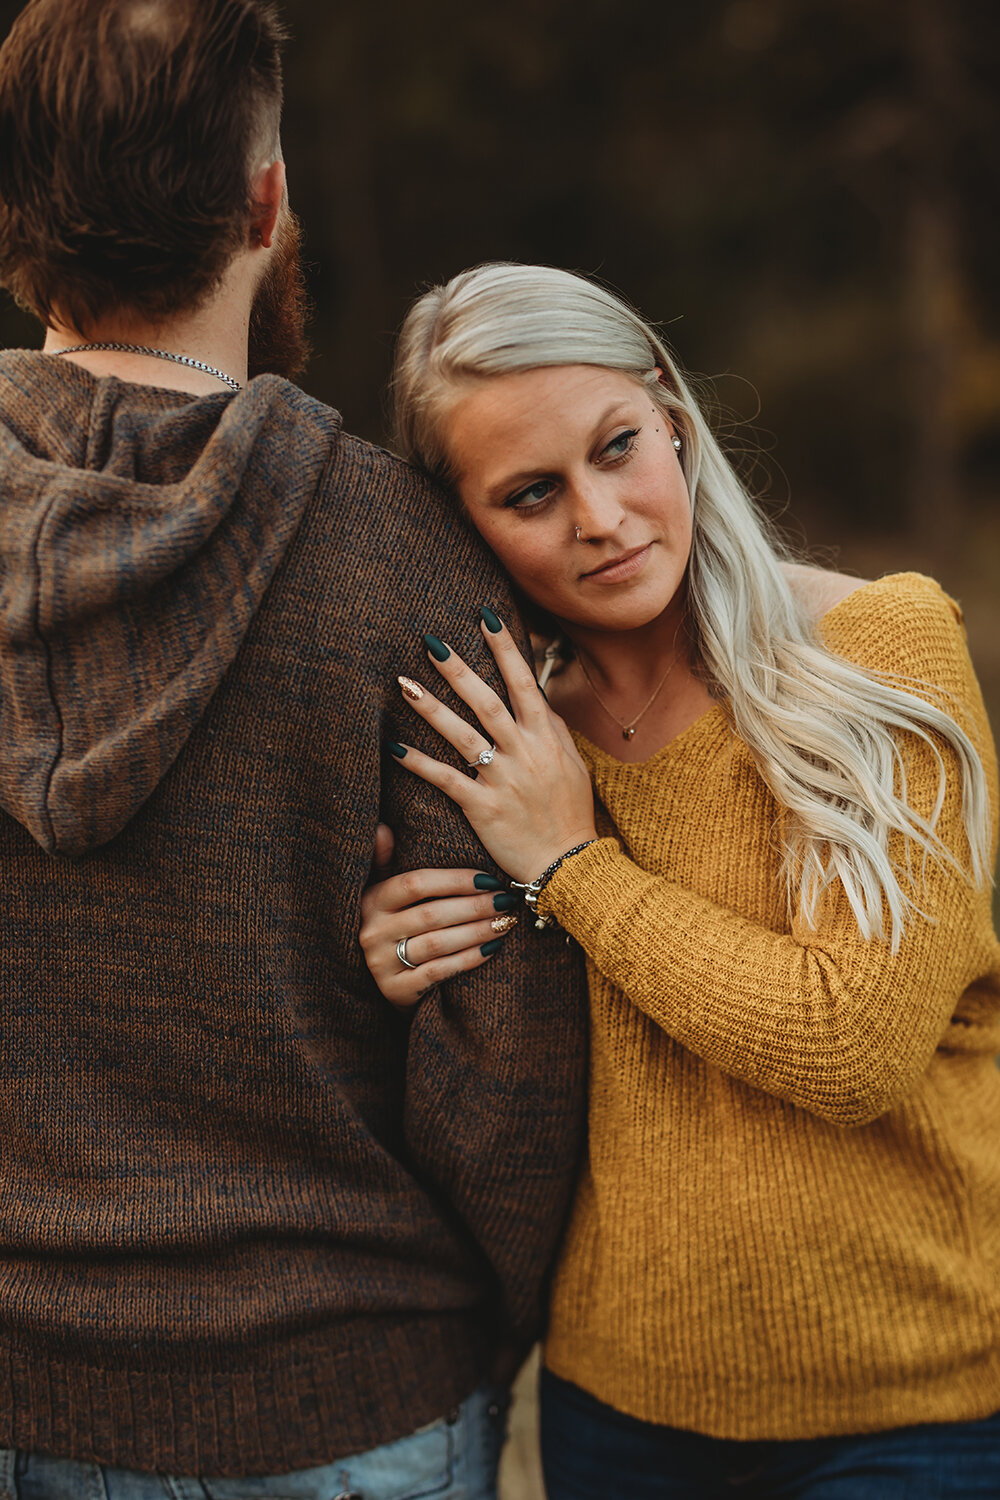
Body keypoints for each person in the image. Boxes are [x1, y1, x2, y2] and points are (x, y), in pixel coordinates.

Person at [0, 12, 588, 1498]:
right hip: (354, 1396)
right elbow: (503, 1048)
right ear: (263, 206)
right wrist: (489, 1330)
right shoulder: (407, 561)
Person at [359, 261, 1000, 1498]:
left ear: (674, 414)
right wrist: (398, 959)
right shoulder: (506, 750)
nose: (598, 518)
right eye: (532, 493)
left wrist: (573, 870)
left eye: (616, 448)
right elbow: (497, 1057)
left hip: (918, 1405)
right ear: (461, 521)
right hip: (624, 1409)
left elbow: (851, 1042)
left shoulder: (878, 650)